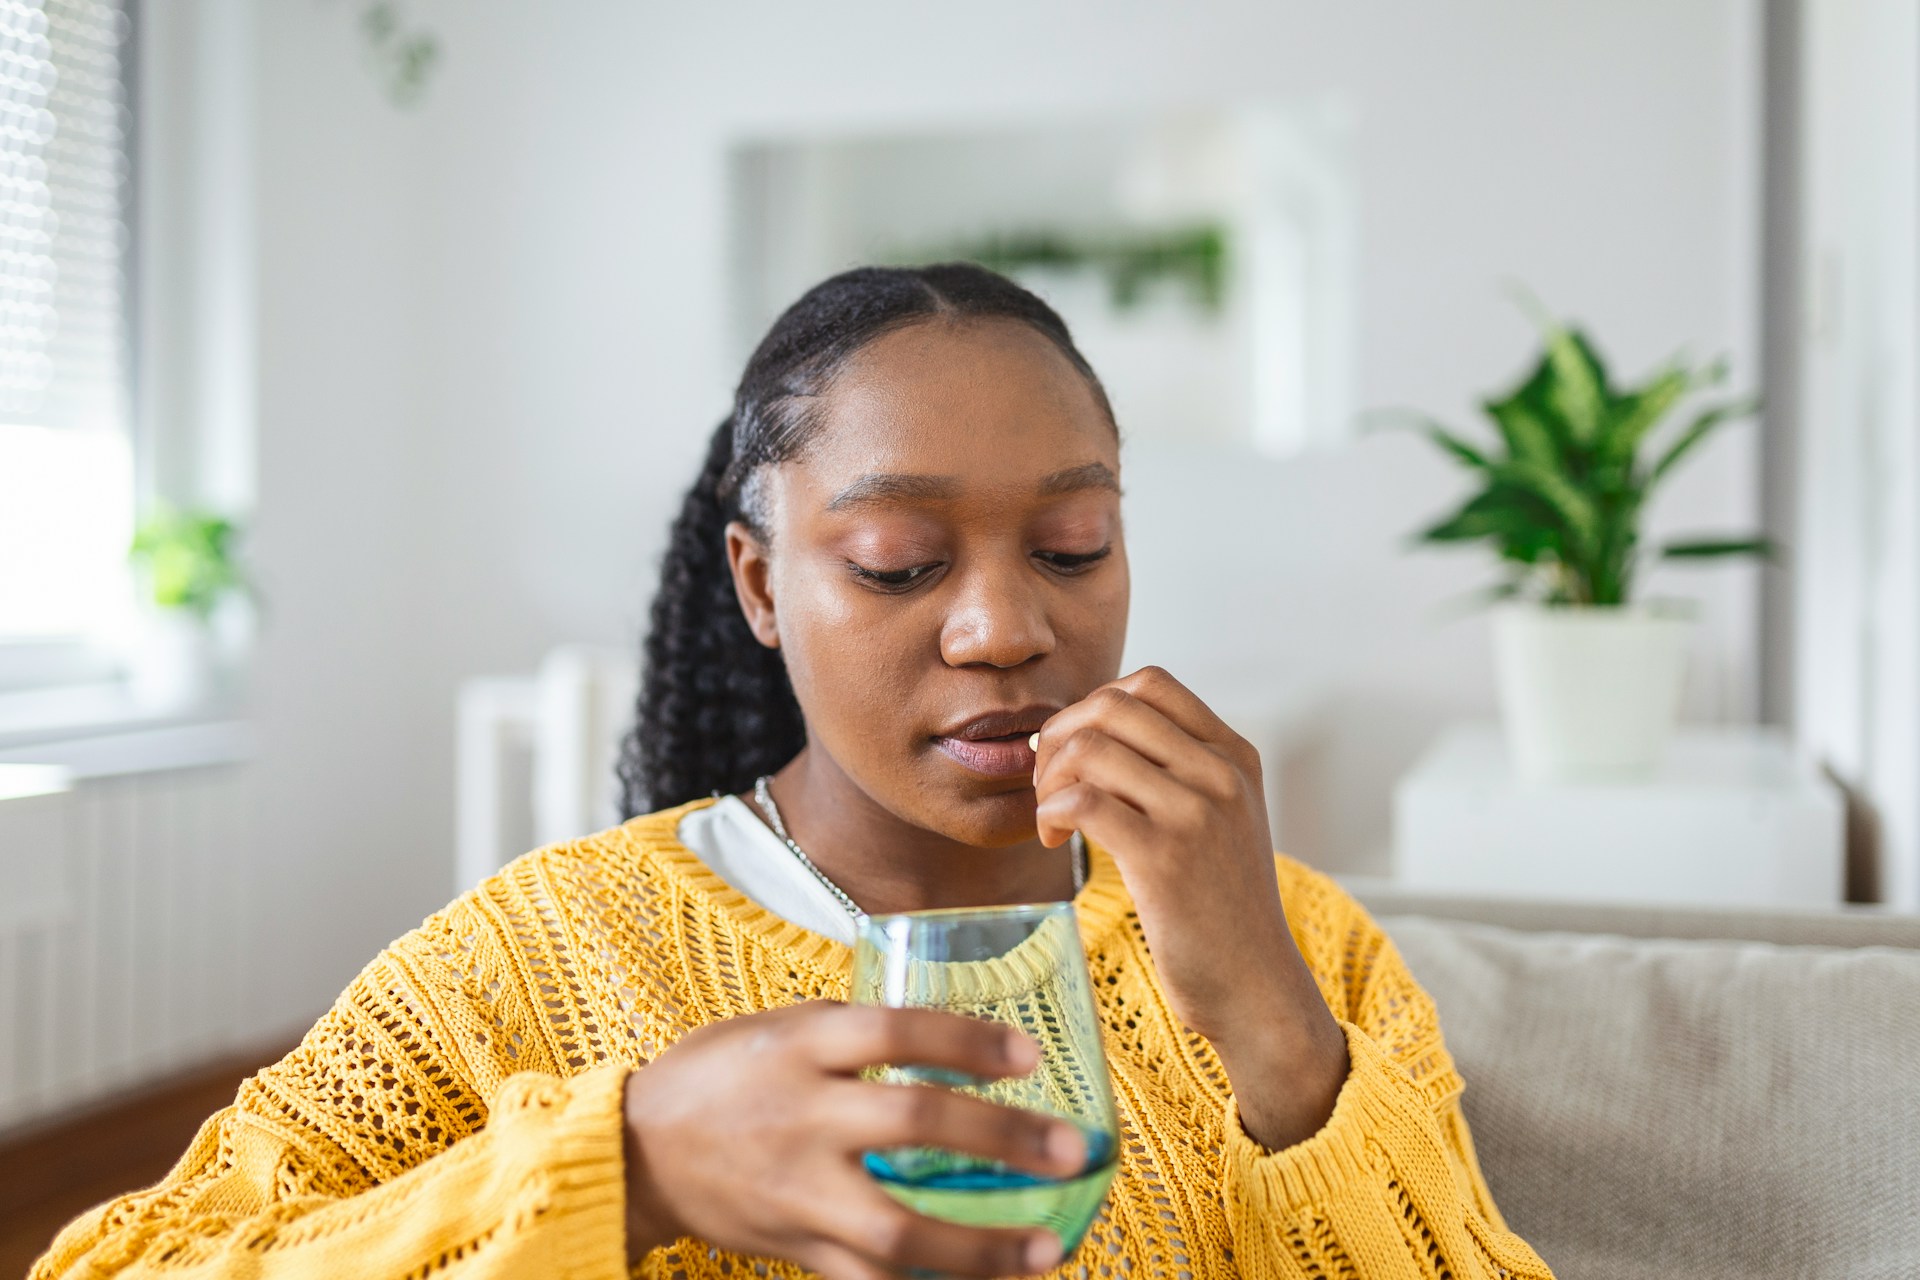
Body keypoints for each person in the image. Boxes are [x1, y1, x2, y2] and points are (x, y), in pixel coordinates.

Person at [33, 264, 1553, 1280]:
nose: (1007, 626)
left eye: (1074, 545)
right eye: (896, 563)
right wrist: (617, 1172)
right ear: (762, 589)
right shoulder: (542, 958)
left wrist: (1279, 1036)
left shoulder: (1309, 951)